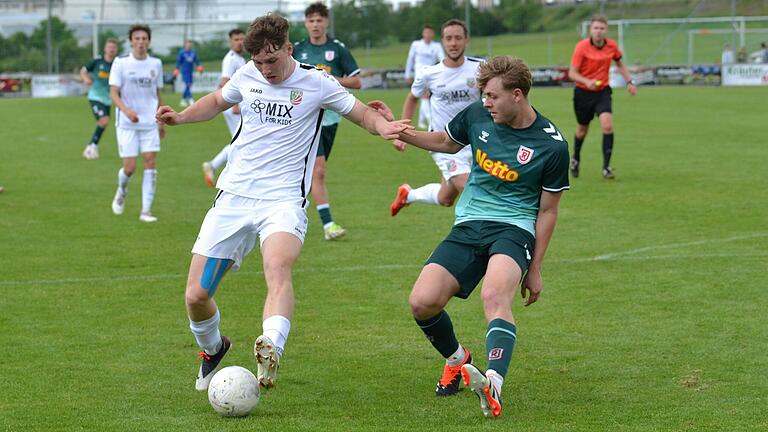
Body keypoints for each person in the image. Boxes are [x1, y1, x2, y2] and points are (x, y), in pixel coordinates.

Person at [155, 14, 411, 392]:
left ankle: (270, 346)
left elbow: (361, 113)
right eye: (259, 62)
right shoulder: (247, 74)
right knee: (196, 296)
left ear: (289, 49)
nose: (266, 69)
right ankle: (213, 349)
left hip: (284, 200)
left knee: (277, 266)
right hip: (234, 198)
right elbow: (214, 101)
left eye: (272, 61)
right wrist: (180, 117)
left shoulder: (317, 81)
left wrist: (384, 127)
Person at [388, 56, 569, 418]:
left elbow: (548, 211)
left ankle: (493, 385)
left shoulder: (552, 146)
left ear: (517, 95)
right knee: (422, 302)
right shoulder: (477, 116)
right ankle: (459, 360)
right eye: (483, 95)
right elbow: (445, 141)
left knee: (494, 296)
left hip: (514, 229)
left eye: (492, 96)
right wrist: (402, 131)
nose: (485, 103)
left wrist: (535, 267)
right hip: (470, 224)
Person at [390, 19, 481, 217]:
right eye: (449, 38)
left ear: (467, 40)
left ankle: (408, 195)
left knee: (446, 198)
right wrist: (401, 133)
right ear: (443, 42)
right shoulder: (430, 73)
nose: (454, 43)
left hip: (476, 141)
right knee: (469, 188)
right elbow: (413, 98)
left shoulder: (480, 69)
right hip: (444, 143)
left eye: (458, 38)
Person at [292, 2, 362, 240]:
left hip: (331, 120)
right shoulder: (298, 49)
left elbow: (356, 82)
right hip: (306, 118)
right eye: (311, 20)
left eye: (319, 20)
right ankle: (328, 224)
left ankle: (294, 205)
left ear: (326, 22)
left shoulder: (338, 49)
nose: (315, 24)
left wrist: (330, 79)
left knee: (312, 173)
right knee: (319, 171)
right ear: (305, 23)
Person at [568, 15, 636, 180]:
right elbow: (572, 73)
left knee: (607, 125)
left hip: (602, 92)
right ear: (591, 30)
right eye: (596, 28)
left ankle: (606, 167)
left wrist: (629, 82)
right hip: (583, 93)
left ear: (606, 30)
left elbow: (620, 63)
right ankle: (576, 158)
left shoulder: (612, 46)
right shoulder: (581, 47)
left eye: (602, 28)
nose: (598, 32)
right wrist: (587, 81)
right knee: (582, 130)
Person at [109, 24, 165, 223]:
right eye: (137, 38)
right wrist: (127, 111)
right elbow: (113, 93)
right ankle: (121, 191)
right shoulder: (120, 63)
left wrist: (161, 120)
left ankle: (146, 211)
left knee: (150, 162)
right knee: (130, 167)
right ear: (131, 41)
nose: (141, 42)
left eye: (144, 39)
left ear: (149, 41)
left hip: (149, 122)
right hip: (127, 123)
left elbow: (157, 94)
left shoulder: (156, 64)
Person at [202, 28, 247, 187]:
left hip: (237, 106)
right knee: (241, 141)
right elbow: (225, 81)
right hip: (234, 107)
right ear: (230, 42)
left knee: (241, 140)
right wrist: (234, 104)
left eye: (242, 38)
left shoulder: (240, 59)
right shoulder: (231, 59)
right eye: (236, 39)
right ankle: (218, 168)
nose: (240, 42)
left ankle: (214, 166)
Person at [80, 38, 119, 160]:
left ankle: (92, 146)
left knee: (103, 123)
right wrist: (85, 78)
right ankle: (91, 147)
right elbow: (83, 70)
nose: (111, 49)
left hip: (108, 99)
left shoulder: (117, 64)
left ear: (116, 50)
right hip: (95, 97)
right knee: (104, 121)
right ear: (105, 49)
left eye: (113, 47)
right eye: (109, 47)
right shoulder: (97, 62)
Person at [405, 25, 445, 130]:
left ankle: (421, 121)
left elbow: (442, 59)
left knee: (425, 97)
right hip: (419, 74)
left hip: (431, 75)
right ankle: (429, 120)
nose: (428, 35)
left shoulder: (436, 46)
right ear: (423, 33)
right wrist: (407, 75)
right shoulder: (416, 44)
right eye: (426, 32)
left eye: (430, 33)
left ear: (432, 34)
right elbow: (410, 60)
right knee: (423, 97)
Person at [175, 39, 203, 107]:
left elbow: (197, 61)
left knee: (188, 86)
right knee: (188, 84)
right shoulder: (182, 52)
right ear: (185, 44)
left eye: (191, 43)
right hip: (184, 72)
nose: (190, 44)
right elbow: (178, 62)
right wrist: (177, 69)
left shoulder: (193, 52)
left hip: (191, 72)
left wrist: (199, 68)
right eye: (188, 43)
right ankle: (191, 99)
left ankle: (183, 100)